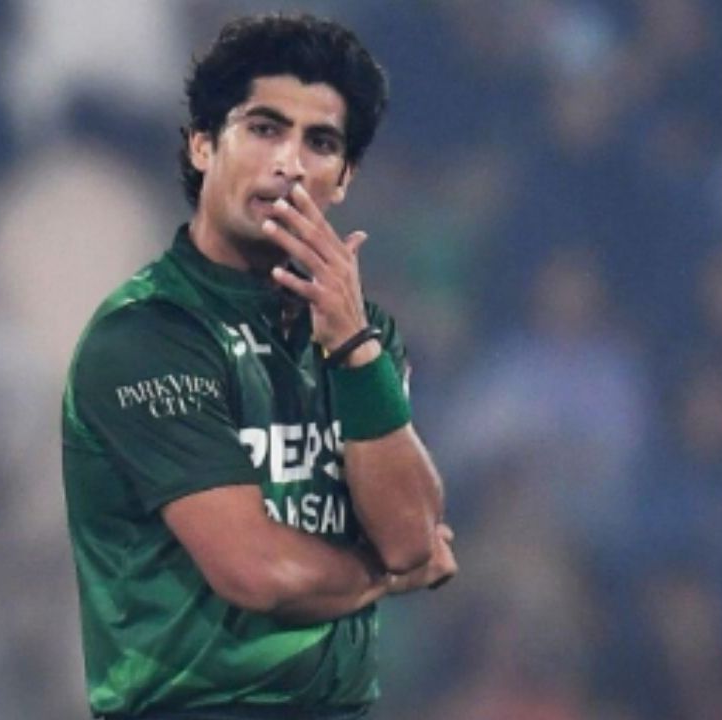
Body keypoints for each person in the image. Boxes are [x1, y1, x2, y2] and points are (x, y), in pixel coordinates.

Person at [61, 13, 457, 720]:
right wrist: (386, 579)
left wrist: (354, 348)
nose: (290, 163)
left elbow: (410, 535)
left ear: (344, 178)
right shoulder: (147, 334)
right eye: (265, 129)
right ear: (203, 145)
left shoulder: (360, 337)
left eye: (321, 142)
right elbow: (256, 570)